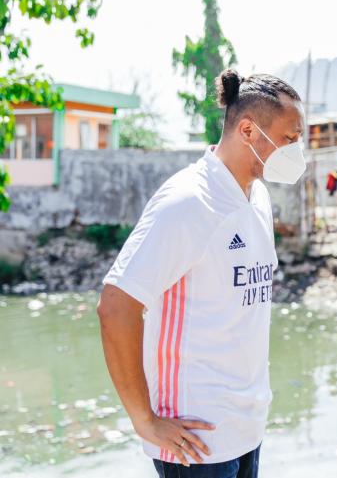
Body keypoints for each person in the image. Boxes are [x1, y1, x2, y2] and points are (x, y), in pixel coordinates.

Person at [97, 69, 306, 477]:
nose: (297, 152)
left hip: (246, 429)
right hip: (195, 443)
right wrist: (144, 420)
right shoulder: (188, 202)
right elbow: (116, 305)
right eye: (289, 140)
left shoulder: (257, 196)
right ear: (248, 130)